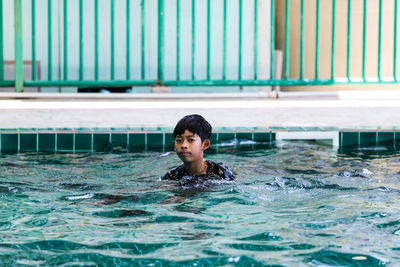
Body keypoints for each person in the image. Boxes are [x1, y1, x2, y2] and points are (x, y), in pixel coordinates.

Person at [162, 114, 235, 186]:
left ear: (205, 144)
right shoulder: (172, 176)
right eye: (179, 140)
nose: (184, 145)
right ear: (174, 145)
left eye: (191, 140)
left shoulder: (220, 174)